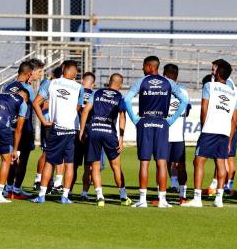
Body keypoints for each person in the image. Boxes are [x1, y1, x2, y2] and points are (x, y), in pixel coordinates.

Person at [124, 56, 188, 208]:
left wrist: (135, 119)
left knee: (144, 162)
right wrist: (171, 120)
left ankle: (142, 200)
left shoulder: (141, 81)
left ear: (149, 66)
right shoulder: (169, 83)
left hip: (145, 122)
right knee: (161, 162)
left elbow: (126, 100)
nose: (142, 69)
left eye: (143, 66)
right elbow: (184, 101)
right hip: (161, 122)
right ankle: (163, 200)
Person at [181, 60, 237, 208]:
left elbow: (204, 108)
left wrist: (203, 126)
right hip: (225, 131)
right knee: (220, 163)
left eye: (215, 69)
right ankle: (219, 198)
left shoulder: (209, 86)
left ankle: (197, 198)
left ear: (218, 72)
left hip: (210, 129)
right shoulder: (233, 92)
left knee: (198, 161)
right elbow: (234, 119)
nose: (213, 71)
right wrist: (230, 139)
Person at [31, 60, 84, 204]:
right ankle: (65, 197)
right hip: (72, 129)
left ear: (62, 69)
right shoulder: (80, 87)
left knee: (49, 161)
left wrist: (43, 120)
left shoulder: (51, 83)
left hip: (56, 127)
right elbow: (78, 107)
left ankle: (41, 195)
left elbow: (36, 103)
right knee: (69, 164)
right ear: (76, 72)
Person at [79, 73, 132, 206]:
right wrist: (121, 137)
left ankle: (99, 197)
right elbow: (122, 118)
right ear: (120, 84)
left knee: (95, 166)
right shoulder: (120, 97)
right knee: (116, 166)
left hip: (94, 131)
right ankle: (123, 196)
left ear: (109, 82)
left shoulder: (97, 93)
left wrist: (81, 131)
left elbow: (85, 111)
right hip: (109, 132)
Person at [0, 88, 29, 203]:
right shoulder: (22, 102)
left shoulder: (2, 94)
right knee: (7, 160)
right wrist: (15, 149)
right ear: (25, 98)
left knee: (4, 157)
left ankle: (2, 190)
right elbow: (19, 130)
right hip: (1, 125)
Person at [1, 61, 35, 200]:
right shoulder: (27, 88)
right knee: (23, 158)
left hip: (8, 125)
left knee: (10, 158)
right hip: (23, 125)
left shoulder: (6, 86)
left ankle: (8, 188)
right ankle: (17, 189)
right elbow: (37, 104)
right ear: (28, 74)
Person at [163, 64, 191, 204]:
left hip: (164, 134)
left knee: (162, 164)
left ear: (164, 74)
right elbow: (188, 110)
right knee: (181, 165)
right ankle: (183, 196)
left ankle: (161, 197)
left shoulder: (162, 90)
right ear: (176, 75)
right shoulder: (184, 92)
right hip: (179, 135)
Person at [32, 66, 63, 191]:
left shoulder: (64, 85)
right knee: (47, 153)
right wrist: (55, 104)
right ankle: (38, 180)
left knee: (61, 154)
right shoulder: (48, 83)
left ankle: (57, 183)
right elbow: (39, 104)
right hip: (49, 123)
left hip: (61, 123)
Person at [72, 72, 95, 195]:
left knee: (73, 165)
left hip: (76, 131)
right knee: (88, 166)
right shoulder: (95, 95)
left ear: (82, 81)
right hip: (89, 132)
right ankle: (84, 193)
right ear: (93, 84)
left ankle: (68, 191)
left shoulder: (76, 93)